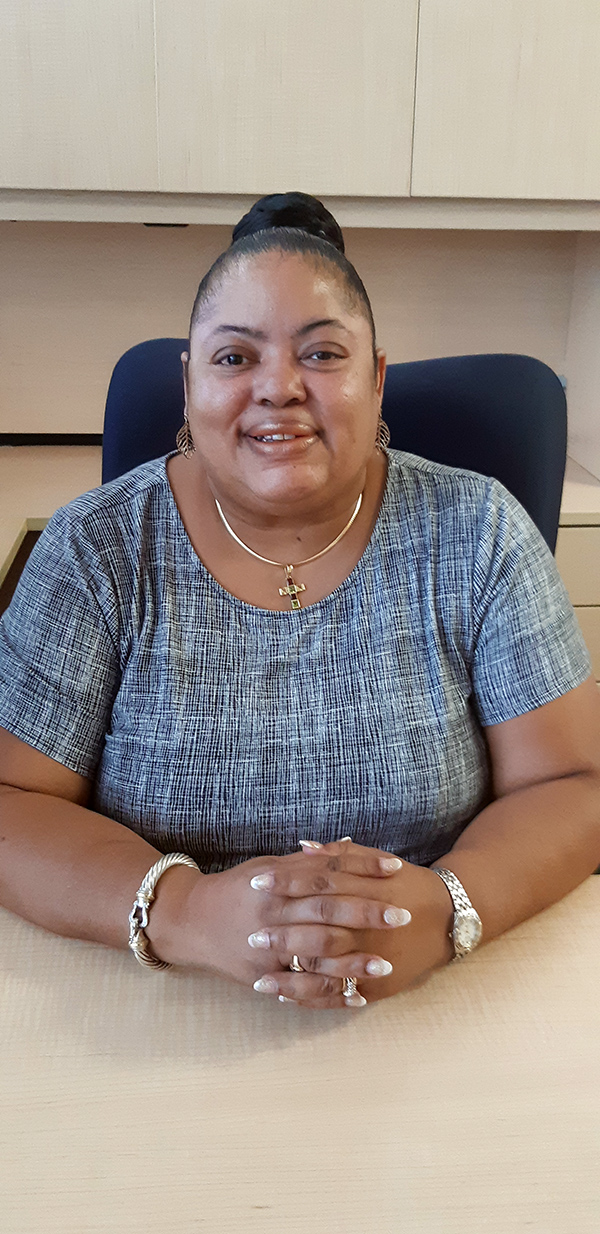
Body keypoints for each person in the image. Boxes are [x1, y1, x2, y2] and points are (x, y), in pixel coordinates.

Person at [0, 192, 599, 1011]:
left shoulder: (480, 532)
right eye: (234, 357)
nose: (278, 387)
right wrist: (183, 911)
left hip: (434, 998)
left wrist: (448, 908)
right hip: (156, 1001)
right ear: (188, 385)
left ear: (375, 380)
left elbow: (572, 782)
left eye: (320, 354)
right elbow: (12, 801)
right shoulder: (96, 550)